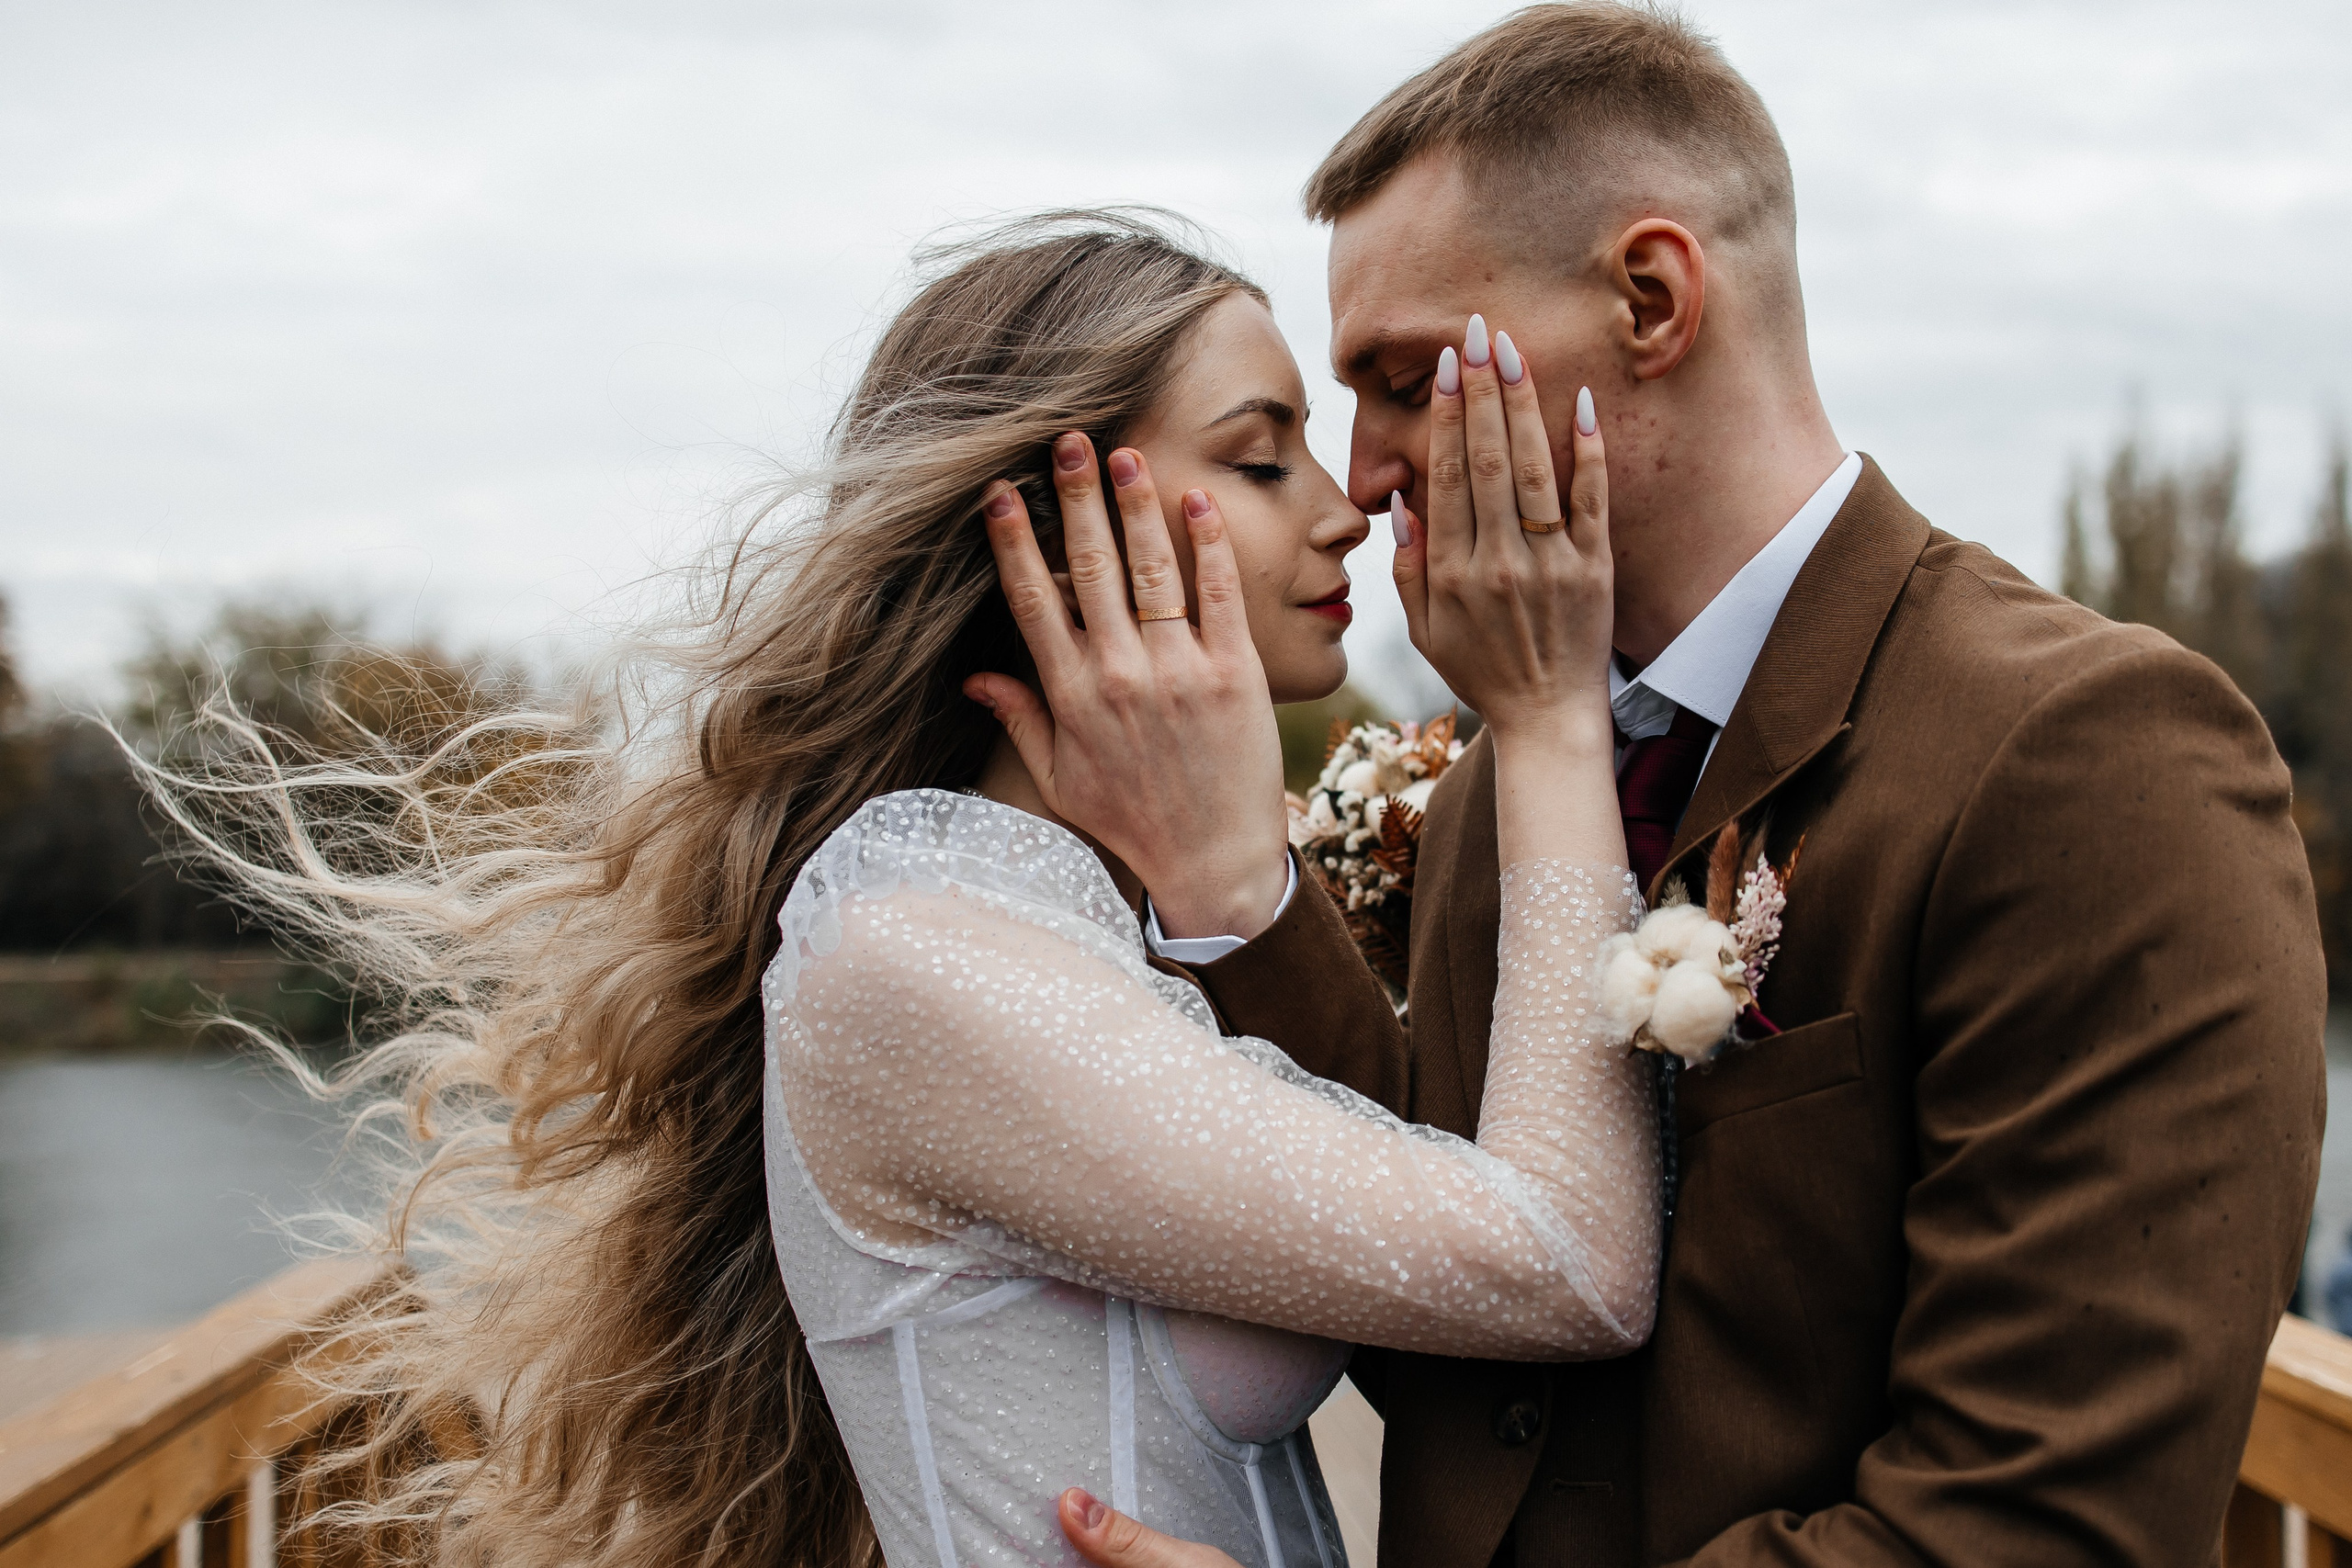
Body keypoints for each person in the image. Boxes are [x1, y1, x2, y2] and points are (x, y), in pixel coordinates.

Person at [1002, 7, 2329, 1567]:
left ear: (1652, 297)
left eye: (1411, 377)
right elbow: (1455, 1295)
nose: (1365, 471)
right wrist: (1231, 888)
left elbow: (2032, 1529)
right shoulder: (1519, 774)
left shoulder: (2088, 759)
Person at [151, 211, 1660, 1568]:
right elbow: (1567, 1263)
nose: (1340, 509)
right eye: (1263, 459)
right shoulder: (917, 964)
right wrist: (1546, 720)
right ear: (1062, 525)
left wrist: (1228, 885)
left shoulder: (1056, 917)